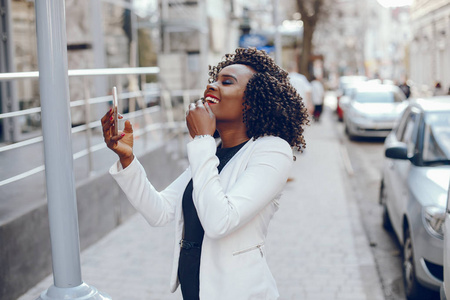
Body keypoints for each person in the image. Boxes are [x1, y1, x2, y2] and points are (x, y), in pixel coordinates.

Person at [101, 47, 309, 300]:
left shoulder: (272, 150)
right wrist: (127, 158)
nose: (212, 86)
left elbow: (220, 222)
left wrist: (201, 139)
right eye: (213, 79)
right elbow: (159, 212)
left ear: (252, 101)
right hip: (194, 291)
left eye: (226, 82)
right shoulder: (213, 151)